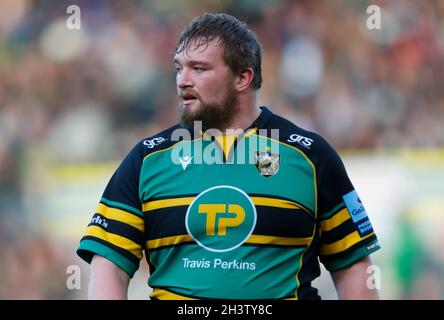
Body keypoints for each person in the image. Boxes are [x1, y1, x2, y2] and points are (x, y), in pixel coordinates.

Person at [77, 12, 380, 300]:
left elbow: (353, 266)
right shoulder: (147, 159)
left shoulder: (311, 157)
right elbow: (108, 264)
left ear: (242, 78)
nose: (183, 79)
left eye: (199, 68)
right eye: (179, 67)